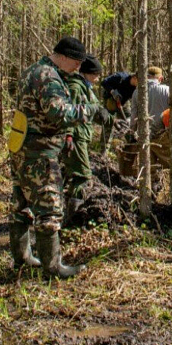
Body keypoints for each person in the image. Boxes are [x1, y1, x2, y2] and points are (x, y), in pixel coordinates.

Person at [8, 37, 99, 278]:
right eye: (77, 62)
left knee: (21, 205)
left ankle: (23, 257)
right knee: (49, 208)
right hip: (40, 154)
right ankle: (52, 267)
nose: (78, 68)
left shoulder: (33, 70)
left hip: (22, 148)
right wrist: (88, 110)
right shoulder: (48, 77)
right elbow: (59, 112)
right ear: (65, 57)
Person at [61, 55, 113, 226]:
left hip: (81, 136)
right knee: (83, 176)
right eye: (95, 74)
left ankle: (66, 215)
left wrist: (111, 120)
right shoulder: (76, 87)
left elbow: (92, 111)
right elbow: (69, 113)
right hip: (75, 137)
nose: (97, 79)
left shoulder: (85, 87)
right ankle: (72, 220)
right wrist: (68, 135)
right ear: (87, 73)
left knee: (74, 177)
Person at [99, 71, 138, 154]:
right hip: (110, 101)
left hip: (123, 103)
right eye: (139, 81)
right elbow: (104, 82)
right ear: (134, 78)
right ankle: (104, 151)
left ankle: (131, 147)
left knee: (128, 123)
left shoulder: (136, 88)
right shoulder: (120, 77)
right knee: (108, 123)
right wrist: (113, 92)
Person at [130, 66, 170, 135]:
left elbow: (134, 114)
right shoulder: (167, 90)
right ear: (160, 78)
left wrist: (132, 131)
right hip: (163, 134)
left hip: (144, 134)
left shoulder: (136, 92)